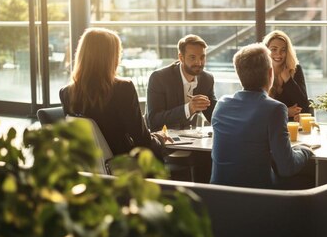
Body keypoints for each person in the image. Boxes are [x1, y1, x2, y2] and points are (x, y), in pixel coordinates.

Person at [210, 43, 315, 190]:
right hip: (259, 199)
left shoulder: (221, 105)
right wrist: (305, 149)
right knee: (312, 180)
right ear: (271, 73)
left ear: (239, 74)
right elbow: (287, 167)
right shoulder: (275, 109)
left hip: (219, 197)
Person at [59, 27, 172, 158]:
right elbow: (141, 140)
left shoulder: (66, 93)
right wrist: (159, 139)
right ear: (112, 57)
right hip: (123, 165)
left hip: (90, 168)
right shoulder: (123, 88)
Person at [146, 34, 217, 131]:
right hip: (164, 141)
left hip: (193, 139)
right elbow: (153, 120)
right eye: (192, 57)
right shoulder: (159, 78)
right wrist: (189, 109)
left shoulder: (207, 79)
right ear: (181, 57)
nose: (199, 63)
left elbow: (214, 116)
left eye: (202, 57)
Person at [262, 30, 310, 121]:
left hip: (293, 125)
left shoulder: (295, 69)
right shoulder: (261, 72)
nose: (279, 54)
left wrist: (288, 80)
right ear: (266, 50)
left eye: (283, 50)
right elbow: (259, 110)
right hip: (269, 126)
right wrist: (286, 111)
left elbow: (304, 106)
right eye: (274, 49)